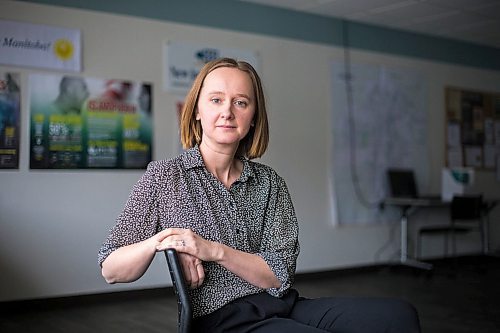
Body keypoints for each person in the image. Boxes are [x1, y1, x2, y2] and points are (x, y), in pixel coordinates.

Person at [98, 58, 421, 333]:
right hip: (222, 320)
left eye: (241, 102)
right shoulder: (165, 177)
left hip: (280, 304)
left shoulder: (269, 183)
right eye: (215, 100)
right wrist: (164, 240)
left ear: (253, 118)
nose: (228, 111)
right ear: (196, 110)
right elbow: (111, 268)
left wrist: (212, 250)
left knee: (400, 316)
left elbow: (279, 274)